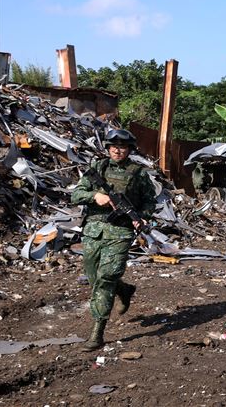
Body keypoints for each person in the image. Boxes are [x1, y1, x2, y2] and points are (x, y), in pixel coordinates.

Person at [72, 129, 156, 351]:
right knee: (94, 278)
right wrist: (95, 196)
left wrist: (142, 218)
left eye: (123, 147)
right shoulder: (98, 169)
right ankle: (125, 290)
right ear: (108, 148)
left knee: (106, 278)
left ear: (129, 149)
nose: (118, 150)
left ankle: (97, 332)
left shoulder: (138, 173)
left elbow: (150, 202)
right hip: (94, 232)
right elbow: (75, 195)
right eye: (114, 146)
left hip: (120, 233)